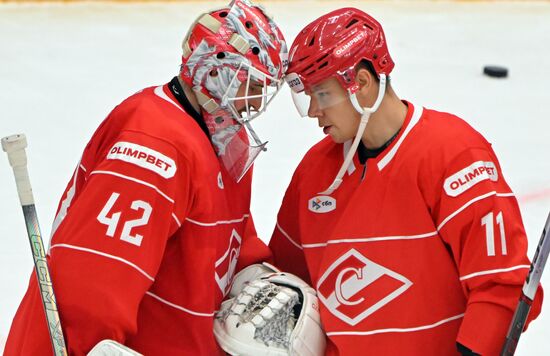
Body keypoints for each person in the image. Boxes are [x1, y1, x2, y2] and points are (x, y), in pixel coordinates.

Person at [5, 0, 287, 354]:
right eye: (253, 84)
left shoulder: (224, 140)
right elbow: (96, 282)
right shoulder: (155, 142)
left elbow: (228, 237)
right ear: (216, 72)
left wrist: (256, 275)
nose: (257, 101)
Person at [269, 7, 543, 355]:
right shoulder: (314, 172)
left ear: (362, 84)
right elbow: (285, 279)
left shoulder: (452, 154)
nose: (312, 111)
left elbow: (502, 284)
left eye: (322, 94)